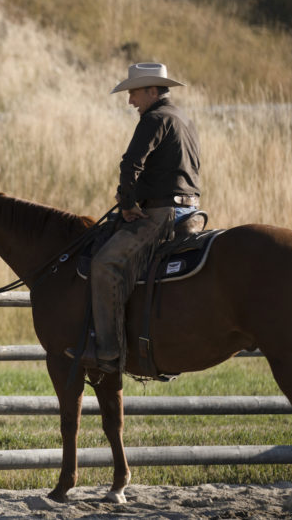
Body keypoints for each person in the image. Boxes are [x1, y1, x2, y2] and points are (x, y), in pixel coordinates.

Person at [71, 63, 201, 373]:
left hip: (162, 214)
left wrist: (128, 203)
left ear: (151, 91)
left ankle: (108, 352)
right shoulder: (183, 119)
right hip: (191, 212)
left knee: (104, 265)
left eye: (134, 93)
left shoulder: (154, 118)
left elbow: (131, 164)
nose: (131, 101)